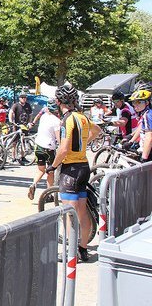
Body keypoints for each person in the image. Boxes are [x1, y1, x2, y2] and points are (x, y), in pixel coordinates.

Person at [46, 85, 101, 262]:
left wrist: (53, 167)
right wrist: (84, 144)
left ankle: (70, 254)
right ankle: (82, 249)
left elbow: (63, 148)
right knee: (82, 212)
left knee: (69, 215)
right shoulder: (82, 117)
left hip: (70, 169)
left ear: (58, 101)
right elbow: (97, 131)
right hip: (83, 166)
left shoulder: (67, 119)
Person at [27, 99, 61, 200]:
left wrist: (32, 123)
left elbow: (38, 115)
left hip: (38, 145)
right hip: (49, 148)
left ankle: (34, 184)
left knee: (40, 170)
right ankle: (49, 194)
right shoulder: (56, 121)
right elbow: (59, 139)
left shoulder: (44, 116)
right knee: (50, 171)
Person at [129, 87, 152, 162]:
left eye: (139, 102)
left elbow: (149, 137)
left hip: (148, 152)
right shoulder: (147, 113)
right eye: (133, 102)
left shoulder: (148, 115)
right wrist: (131, 139)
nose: (135, 105)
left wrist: (144, 158)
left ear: (147, 102)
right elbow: (141, 127)